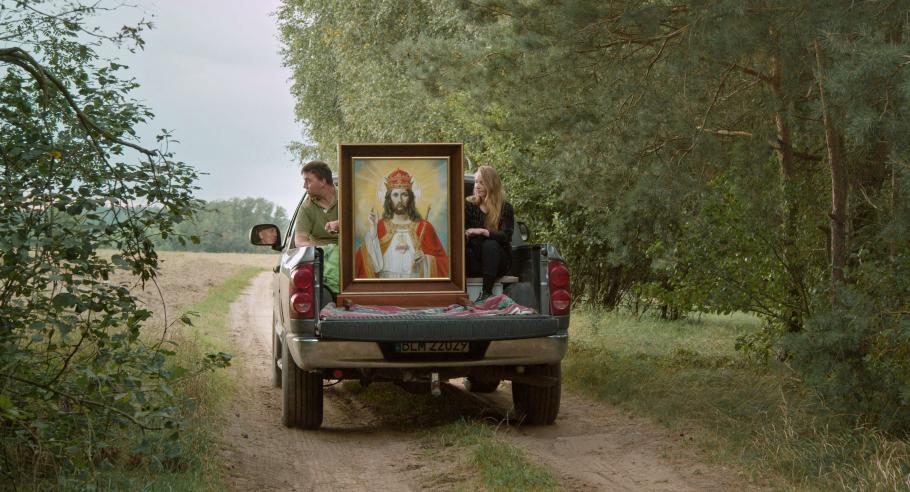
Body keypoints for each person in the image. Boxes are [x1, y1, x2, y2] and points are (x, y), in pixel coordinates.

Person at [354, 168, 449, 278]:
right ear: (389, 198)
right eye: (395, 195)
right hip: (386, 283)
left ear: (410, 198)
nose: (400, 200)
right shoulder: (379, 226)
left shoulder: (424, 227)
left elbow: (444, 264)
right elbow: (365, 262)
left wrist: (425, 260)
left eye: (404, 194)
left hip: (415, 284)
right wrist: (373, 234)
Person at [465, 165, 514, 303]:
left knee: (490, 244)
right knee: (463, 249)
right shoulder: (469, 205)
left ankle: (486, 293)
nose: (477, 186)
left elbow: (506, 236)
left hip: (497, 262)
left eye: (482, 182)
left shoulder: (505, 208)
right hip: (476, 260)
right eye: (476, 182)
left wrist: (483, 231)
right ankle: (461, 295)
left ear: (491, 184)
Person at [293, 160, 340, 293]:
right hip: (321, 262)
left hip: (352, 258)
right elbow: (300, 241)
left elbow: (365, 226)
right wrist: (327, 250)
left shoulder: (349, 196)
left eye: (308, 181)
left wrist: (341, 224)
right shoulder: (306, 208)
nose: (304, 186)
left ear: (323, 181)